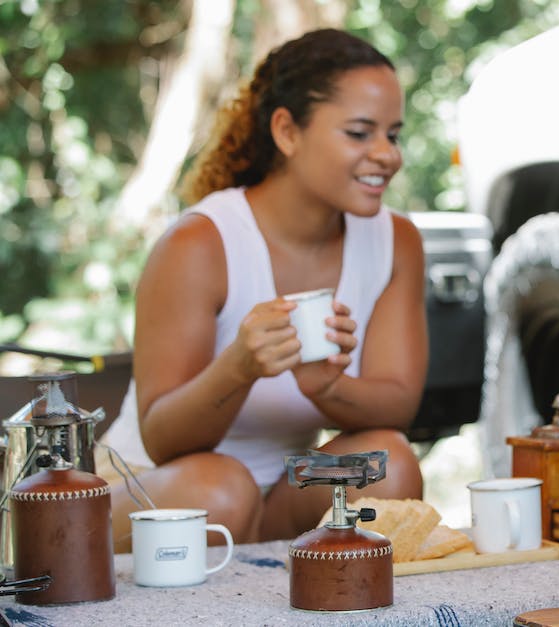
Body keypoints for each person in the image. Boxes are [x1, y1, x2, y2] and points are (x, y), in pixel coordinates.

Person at [100, 28, 427, 551]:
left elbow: (397, 408)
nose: (387, 154)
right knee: (223, 491)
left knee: (388, 465)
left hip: (284, 488)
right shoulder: (200, 242)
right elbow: (162, 440)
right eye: (360, 133)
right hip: (152, 485)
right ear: (287, 131)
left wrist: (326, 387)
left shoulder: (398, 241)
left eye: (394, 134)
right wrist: (240, 366)